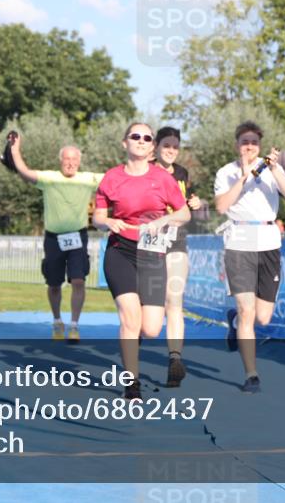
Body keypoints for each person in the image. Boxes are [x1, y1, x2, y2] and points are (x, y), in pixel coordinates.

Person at [93, 123, 190, 400]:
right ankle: (132, 384)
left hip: (152, 254)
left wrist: (165, 219)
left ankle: (132, 349)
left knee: (150, 328)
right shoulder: (111, 178)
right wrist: (108, 221)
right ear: (125, 143)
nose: (141, 140)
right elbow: (98, 217)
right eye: (135, 136)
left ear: (151, 147)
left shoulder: (162, 178)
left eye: (146, 138)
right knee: (129, 317)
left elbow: (184, 214)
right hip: (120, 251)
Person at [214, 121, 285, 393]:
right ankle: (251, 375)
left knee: (263, 317)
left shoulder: (273, 169)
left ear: (260, 146)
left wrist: (272, 168)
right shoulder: (226, 172)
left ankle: (236, 322)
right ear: (237, 144)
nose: (249, 146)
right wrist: (244, 175)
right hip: (239, 243)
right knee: (247, 309)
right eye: (244, 142)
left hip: (268, 243)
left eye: (254, 142)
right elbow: (221, 206)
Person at [8, 133, 102, 342]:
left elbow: (118, 180)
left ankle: (74, 325)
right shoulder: (49, 178)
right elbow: (24, 172)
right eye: (67, 159)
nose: (70, 163)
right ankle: (58, 321)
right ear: (61, 161)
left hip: (78, 236)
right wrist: (15, 150)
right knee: (54, 284)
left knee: (78, 280)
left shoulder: (89, 179)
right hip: (53, 239)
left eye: (74, 160)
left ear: (79, 162)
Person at [152, 126, 202, 387]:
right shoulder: (145, 169)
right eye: (166, 145)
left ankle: (175, 360)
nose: (171, 150)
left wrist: (195, 202)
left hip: (176, 240)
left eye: (175, 146)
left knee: (174, 299)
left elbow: (185, 200)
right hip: (148, 243)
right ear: (156, 146)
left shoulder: (182, 173)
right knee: (147, 307)